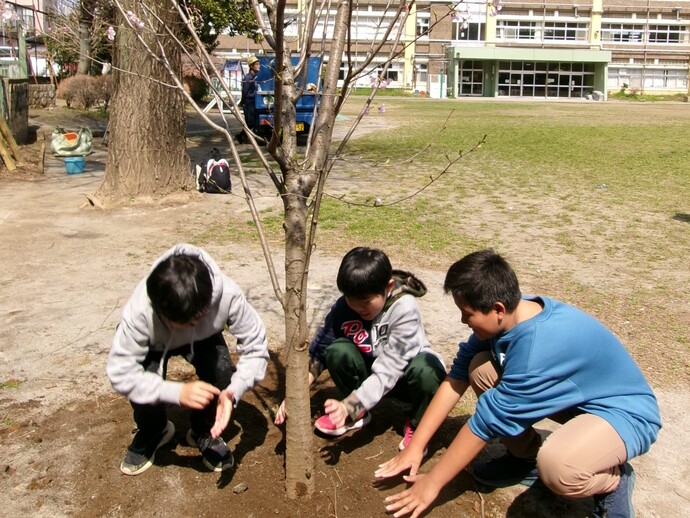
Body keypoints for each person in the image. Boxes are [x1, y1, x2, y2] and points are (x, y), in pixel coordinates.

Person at [375, 249, 661, 518]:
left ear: (497, 308)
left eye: (467, 313)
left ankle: (613, 481)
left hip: (625, 415)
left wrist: (433, 483)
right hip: (580, 401)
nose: (463, 320)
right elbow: (457, 377)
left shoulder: (536, 347)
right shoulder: (512, 314)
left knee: (557, 468)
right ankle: (522, 458)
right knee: (480, 368)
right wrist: (417, 446)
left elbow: (486, 423)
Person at [106, 244, 269, 476]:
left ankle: (204, 431)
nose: (180, 330)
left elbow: (256, 346)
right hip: (155, 342)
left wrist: (234, 390)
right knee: (143, 375)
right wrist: (176, 393)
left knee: (222, 371)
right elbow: (120, 372)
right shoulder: (141, 309)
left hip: (203, 335)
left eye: (188, 324)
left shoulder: (226, 295)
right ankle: (154, 430)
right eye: (173, 324)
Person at [274, 246, 446, 451]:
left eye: (365, 302)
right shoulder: (344, 307)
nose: (358, 308)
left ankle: (420, 425)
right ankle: (357, 414)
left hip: (405, 379)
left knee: (427, 370)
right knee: (337, 351)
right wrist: (295, 393)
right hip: (370, 374)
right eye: (351, 301)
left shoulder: (404, 310)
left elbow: (389, 371)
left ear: (388, 286)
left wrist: (350, 404)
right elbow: (318, 351)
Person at [236, 55, 261, 144]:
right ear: (251, 66)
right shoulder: (248, 78)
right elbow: (245, 91)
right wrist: (242, 102)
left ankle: (244, 137)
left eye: (259, 64)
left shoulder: (254, 77)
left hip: (253, 102)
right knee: (250, 123)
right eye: (256, 64)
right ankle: (240, 136)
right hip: (248, 102)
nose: (259, 66)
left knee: (252, 122)